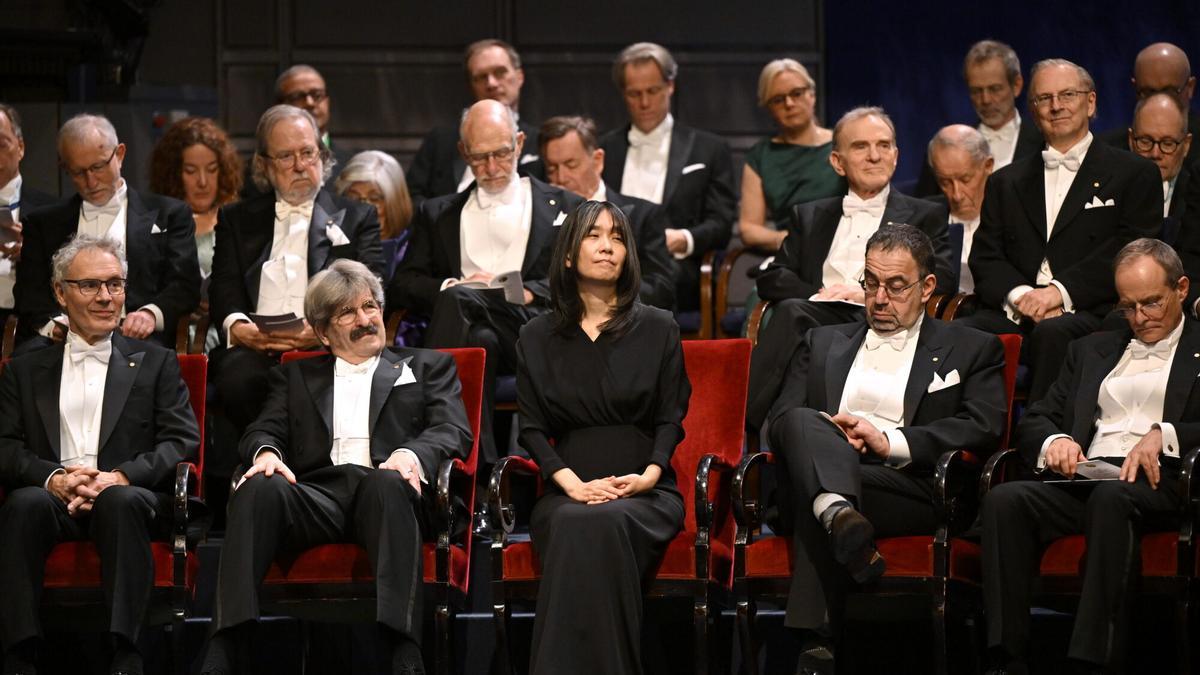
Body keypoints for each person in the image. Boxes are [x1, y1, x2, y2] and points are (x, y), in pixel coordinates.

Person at [199, 259, 470, 675]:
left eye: (370, 307)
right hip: (317, 497)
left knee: (387, 484)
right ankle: (225, 647)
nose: (365, 320)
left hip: (387, 491)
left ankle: (405, 653)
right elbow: (261, 430)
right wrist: (267, 454)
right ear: (323, 332)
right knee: (258, 486)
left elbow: (452, 430)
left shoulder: (427, 366)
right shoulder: (296, 376)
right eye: (348, 312)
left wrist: (409, 455)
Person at [765, 224, 1006, 674]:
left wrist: (888, 440)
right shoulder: (822, 342)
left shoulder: (973, 346)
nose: (879, 299)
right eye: (871, 283)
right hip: (834, 469)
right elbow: (779, 422)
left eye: (896, 287)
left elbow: (984, 425)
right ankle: (837, 512)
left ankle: (817, 636)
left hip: (908, 485)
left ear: (927, 285)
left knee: (815, 498)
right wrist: (828, 438)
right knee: (802, 420)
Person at [981, 238, 1200, 675]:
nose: (1140, 318)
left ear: (1181, 288)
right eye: (1128, 307)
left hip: (1164, 482)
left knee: (1112, 500)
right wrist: (1055, 441)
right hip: (1088, 476)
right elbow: (1037, 418)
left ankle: (1092, 661)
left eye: (1152, 304)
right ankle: (1007, 659)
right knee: (1006, 500)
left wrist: (1166, 434)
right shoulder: (1092, 349)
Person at [0, 234, 200, 675]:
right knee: (24, 502)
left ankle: (127, 653)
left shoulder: (157, 362)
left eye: (115, 285)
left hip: (128, 495)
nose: (106, 297)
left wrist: (122, 477)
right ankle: (19, 656)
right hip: (56, 495)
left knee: (119, 502)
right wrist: (54, 478)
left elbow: (181, 440)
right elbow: (6, 446)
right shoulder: (25, 370)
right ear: (60, 293)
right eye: (90, 286)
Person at [517, 200, 689, 675]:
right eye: (594, 235)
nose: (607, 246)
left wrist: (648, 477)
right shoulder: (536, 336)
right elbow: (530, 428)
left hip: (645, 491)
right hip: (567, 489)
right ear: (569, 255)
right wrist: (571, 485)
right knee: (578, 520)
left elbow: (670, 419)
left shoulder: (659, 327)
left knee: (603, 522)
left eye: (617, 237)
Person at [389, 99, 582, 465]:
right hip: (474, 335)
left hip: (535, 332)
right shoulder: (438, 212)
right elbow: (403, 284)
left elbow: (581, 280)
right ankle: (485, 474)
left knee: (463, 306)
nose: (492, 167)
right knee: (480, 338)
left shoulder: (565, 205)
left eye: (502, 153)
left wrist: (529, 291)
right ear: (463, 152)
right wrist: (451, 286)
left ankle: (424, 426)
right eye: (479, 157)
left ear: (520, 143)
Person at [965, 58, 1163, 404]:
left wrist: (1059, 293)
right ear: (1033, 109)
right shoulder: (1005, 181)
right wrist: (1023, 296)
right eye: (1044, 98)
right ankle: (960, 447)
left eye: (1067, 95)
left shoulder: (1134, 173)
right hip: (1020, 309)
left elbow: (1133, 251)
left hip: (1095, 309)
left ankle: (1043, 444)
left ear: (1091, 102)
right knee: (957, 333)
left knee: (1054, 333)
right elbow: (985, 255)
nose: (1056, 106)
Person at [745, 107, 952, 429]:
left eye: (884, 145)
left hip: (880, 315)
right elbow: (773, 277)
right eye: (860, 147)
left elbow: (944, 278)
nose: (874, 156)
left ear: (896, 156)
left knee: (793, 318)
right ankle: (777, 433)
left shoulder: (926, 214)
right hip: (818, 316)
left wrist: (864, 292)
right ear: (837, 162)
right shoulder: (810, 214)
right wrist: (821, 295)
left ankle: (740, 423)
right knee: (800, 324)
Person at [208, 105, 381, 443]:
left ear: (323, 154)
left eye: (307, 153)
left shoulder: (357, 217)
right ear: (263, 165)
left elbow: (371, 286)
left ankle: (306, 468)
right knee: (236, 378)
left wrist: (323, 331)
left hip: (328, 346)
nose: (300, 166)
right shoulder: (236, 219)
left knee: (324, 377)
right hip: (254, 349)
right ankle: (264, 460)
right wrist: (239, 328)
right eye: (286, 157)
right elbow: (223, 285)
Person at [15, 113, 201, 348]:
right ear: (65, 168)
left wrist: (150, 314)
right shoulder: (43, 224)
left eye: (98, 167)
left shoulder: (170, 214)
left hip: (138, 340)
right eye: (79, 172)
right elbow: (30, 294)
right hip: (62, 341)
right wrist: (59, 326)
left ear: (120, 155)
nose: (91, 181)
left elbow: (185, 285)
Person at [599, 41, 737, 314]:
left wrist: (684, 238)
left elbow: (721, 224)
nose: (645, 103)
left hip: (673, 268)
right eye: (634, 94)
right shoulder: (604, 150)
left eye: (653, 91)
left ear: (670, 85)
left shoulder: (708, 149)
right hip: (609, 262)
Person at [539, 114, 675, 309]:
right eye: (552, 169)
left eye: (571, 165)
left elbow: (661, 290)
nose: (561, 178)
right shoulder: (541, 220)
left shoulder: (642, 216)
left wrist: (601, 297)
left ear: (598, 161)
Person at [407, 39, 541, 204]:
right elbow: (411, 196)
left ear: (519, 77)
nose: (491, 83)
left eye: (499, 72)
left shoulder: (540, 141)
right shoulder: (441, 140)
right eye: (481, 77)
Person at [739, 58, 844, 252]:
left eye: (796, 93)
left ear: (812, 94)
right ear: (768, 107)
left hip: (847, 247)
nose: (789, 103)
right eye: (778, 99)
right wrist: (787, 239)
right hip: (794, 252)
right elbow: (748, 228)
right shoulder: (760, 156)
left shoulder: (843, 144)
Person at [914, 40, 1043, 197]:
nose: (986, 99)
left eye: (994, 89)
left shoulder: (1044, 143)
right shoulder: (945, 147)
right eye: (976, 91)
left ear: (1016, 85)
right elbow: (924, 209)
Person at [149, 117, 244, 280]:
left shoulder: (238, 220)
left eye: (212, 169)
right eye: (191, 171)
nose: (203, 182)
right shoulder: (158, 226)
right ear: (173, 175)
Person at [0, 103, 56, 328]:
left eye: (1, 145)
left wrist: (33, 251)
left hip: (29, 324)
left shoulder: (51, 211)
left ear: (20, 147)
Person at [1100, 42, 1200, 167]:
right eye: (1148, 92)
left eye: (1170, 91)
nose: (1160, 101)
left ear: (1190, 87)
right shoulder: (1107, 153)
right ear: (1135, 88)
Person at [926, 124, 995, 293]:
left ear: (988, 166)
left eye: (965, 179)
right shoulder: (923, 218)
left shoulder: (1014, 215)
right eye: (945, 182)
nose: (956, 195)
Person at [334, 150, 414, 279]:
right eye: (354, 198)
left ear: (396, 201)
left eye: (375, 198)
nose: (365, 208)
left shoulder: (415, 247)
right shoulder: (333, 247)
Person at [1126, 93, 1192, 226]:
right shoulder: (1111, 191)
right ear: (1131, 140)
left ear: (1186, 145)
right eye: (1145, 141)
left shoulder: (1194, 197)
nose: (1155, 154)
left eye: (1168, 144)